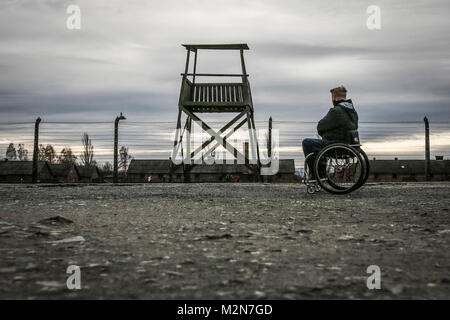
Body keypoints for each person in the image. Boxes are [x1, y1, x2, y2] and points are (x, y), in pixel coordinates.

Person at [302, 86, 359, 177]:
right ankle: (320, 174)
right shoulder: (353, 112)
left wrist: (324, 133)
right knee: (320, 146)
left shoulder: (336, 111)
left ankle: (315, 174)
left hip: (336, 146)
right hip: (350, 146)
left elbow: (320, 126)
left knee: (307, 142)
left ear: (334, 97)